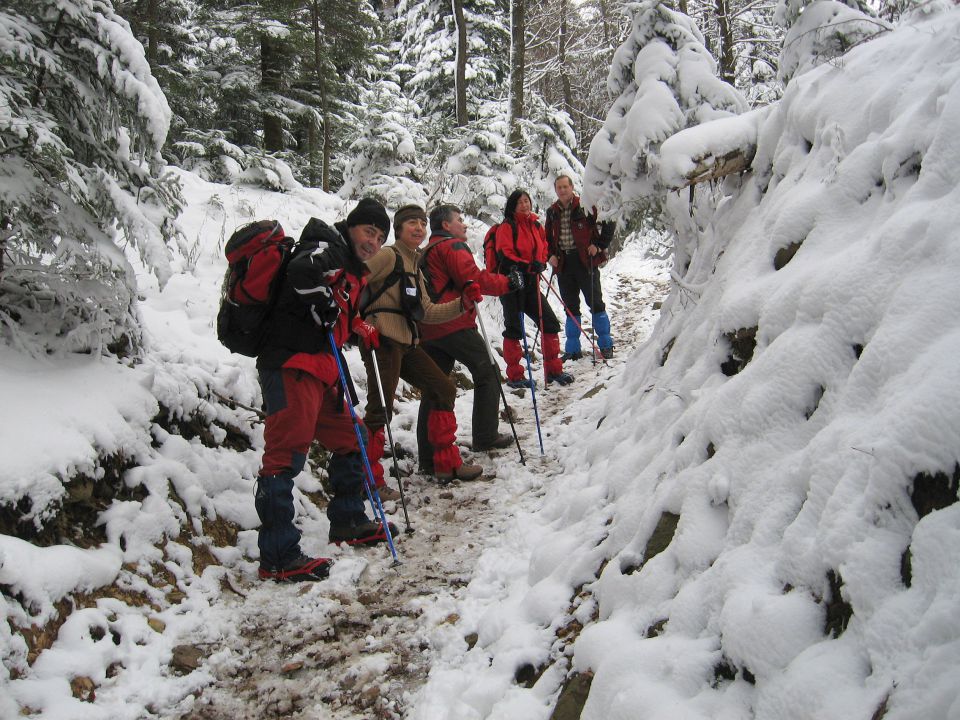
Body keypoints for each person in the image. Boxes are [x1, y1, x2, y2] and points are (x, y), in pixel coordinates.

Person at [254, 198, 398, 583]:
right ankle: (279, 555)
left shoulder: (351, 268)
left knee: (354, 438)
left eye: (381, 237)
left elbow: (333, 318)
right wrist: (322, 300)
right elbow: (304, 272)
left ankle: (349, 520)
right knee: (284, 455)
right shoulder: (325, 244)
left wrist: (357, 328)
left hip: (322, 372)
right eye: (369, 231)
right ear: (352, 226)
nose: (373, 241)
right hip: (291, 365)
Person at [359, 204, 484, 484]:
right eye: (412, 223)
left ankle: (446, 464)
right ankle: (367, 481)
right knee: (380, 408)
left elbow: (427, 310)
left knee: (443, 389)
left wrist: (463, 304)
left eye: (422, 223)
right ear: (399, 229)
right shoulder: (388, 256)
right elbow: (352, 282)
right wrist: (360, 324)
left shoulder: (414, 264)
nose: (418, 228)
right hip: (382, 340)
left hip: (407, 342)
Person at [415, 204, 525, 473]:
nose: (464, 225)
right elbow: (474, 280)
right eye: (459, 220)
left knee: (435, 388)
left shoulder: (426, 252)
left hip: (429, 327)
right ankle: (485, 435)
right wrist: (508, 283)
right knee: (487, 371)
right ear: (445, 225)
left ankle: (429, 458)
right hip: (453, 323)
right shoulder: (452, 247)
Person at [494, 189, 573, 388]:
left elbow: (544, 246)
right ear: (513, 205)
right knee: (513, 329)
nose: (525, 205)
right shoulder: (507, 226)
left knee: (550, 323)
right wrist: (529, 265)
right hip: (511, 283)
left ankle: (554, 371)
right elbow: (505, 253)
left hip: (530, 283)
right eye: (520, 202)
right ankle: (515, 376)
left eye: (527, 201)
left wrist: (541, 262)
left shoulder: (536, 225)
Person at [545, 174, 616, 360]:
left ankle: (606, 345)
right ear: (556, 190)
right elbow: (547, 239)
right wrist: (550, 255)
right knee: (570, 306)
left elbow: (609, 222)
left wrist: (599, 245)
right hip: (564, 263)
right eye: (559, 187)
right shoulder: (552, 212)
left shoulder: (585, 206)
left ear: (572, 187)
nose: (562, 190)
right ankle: (573, 349)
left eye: (565, 187)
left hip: (585, 260)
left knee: (595, 303)